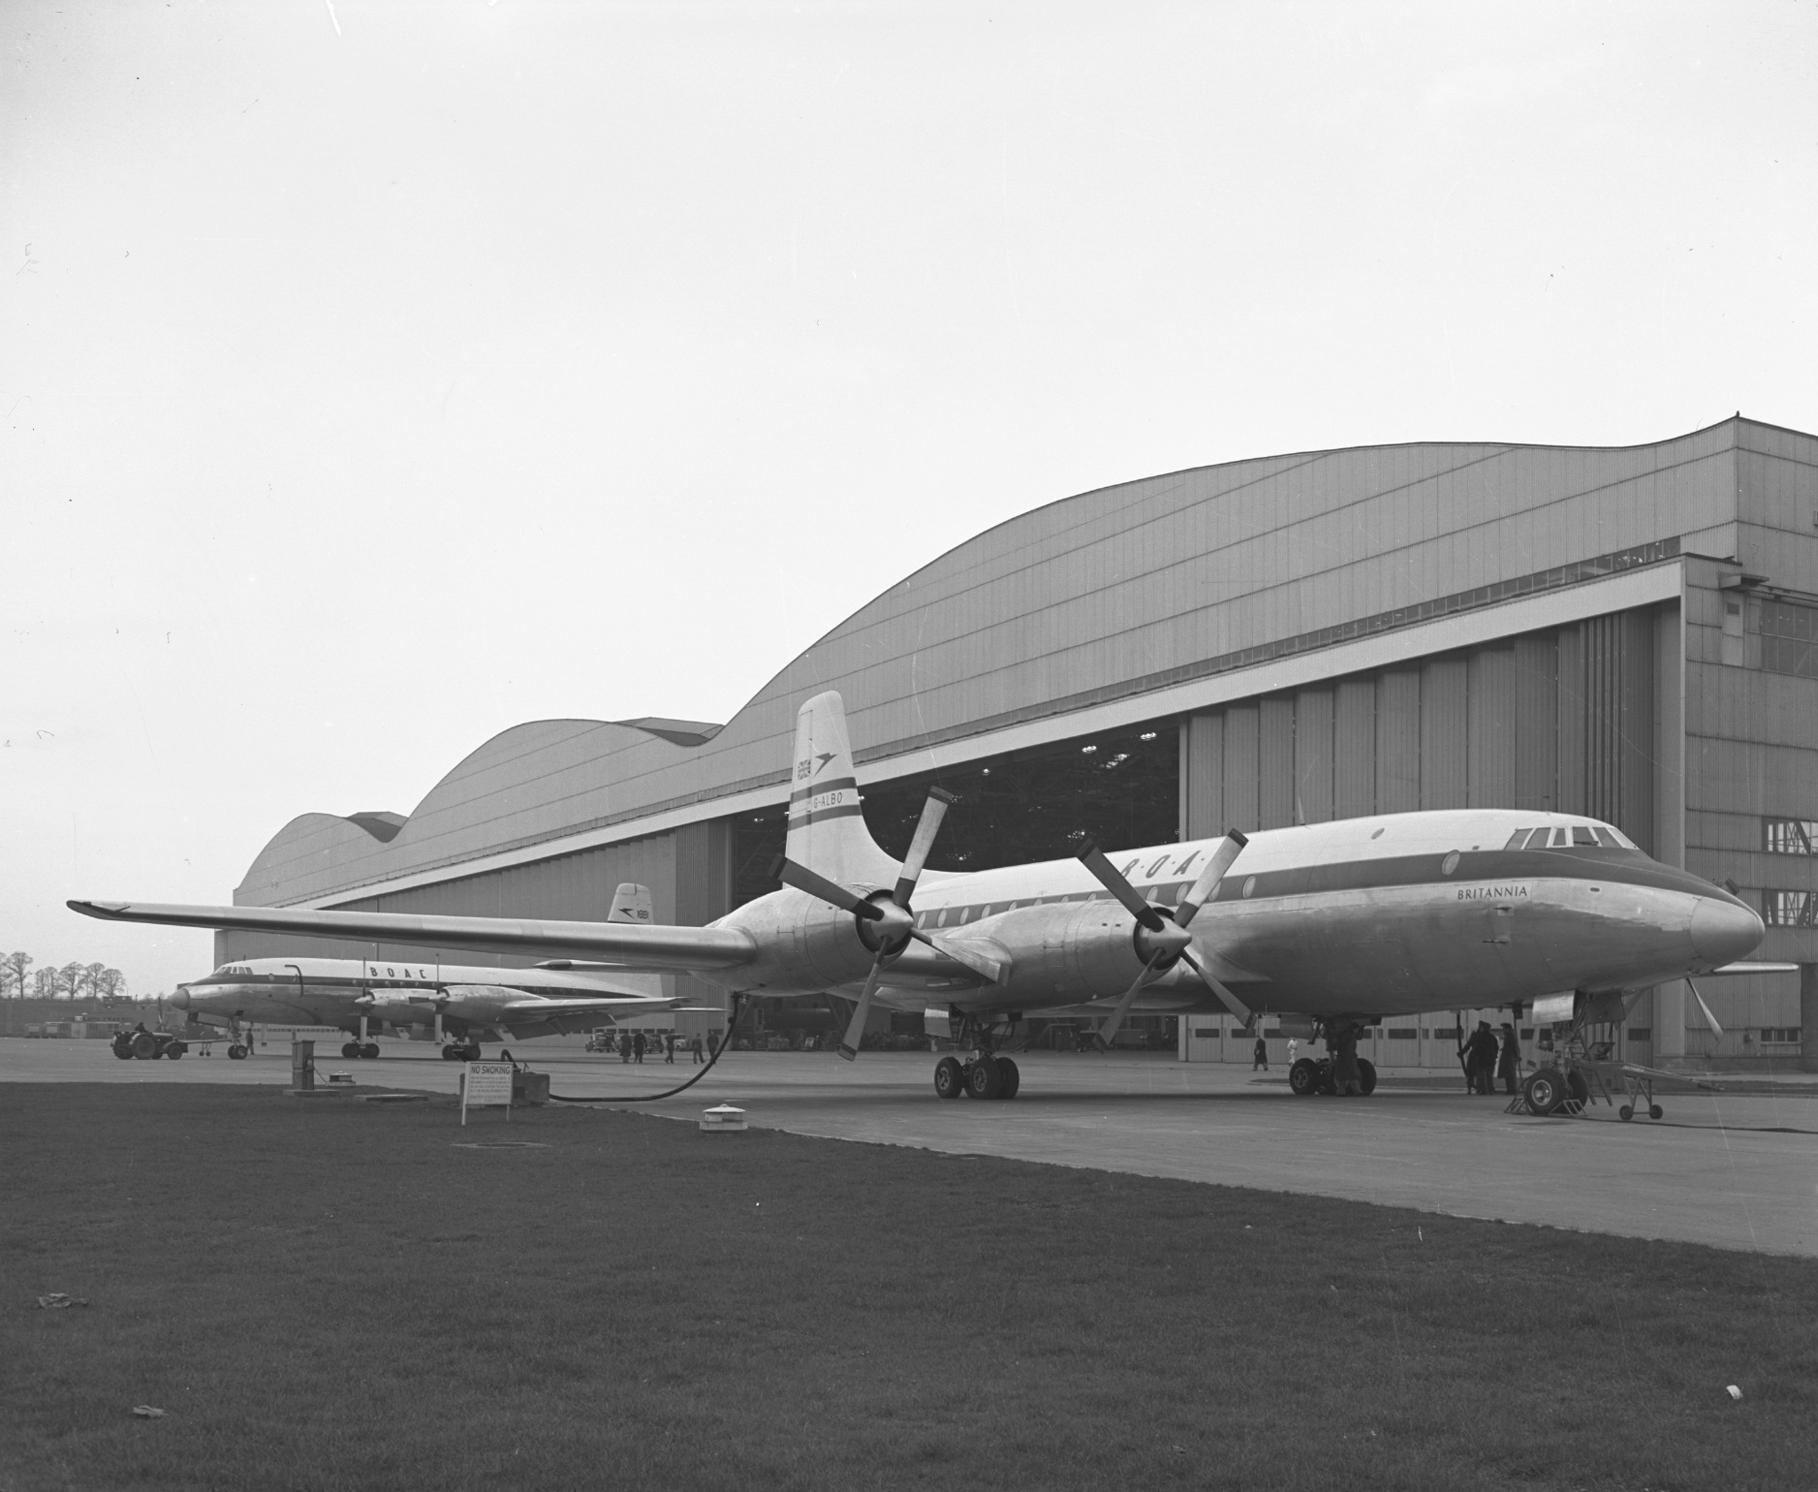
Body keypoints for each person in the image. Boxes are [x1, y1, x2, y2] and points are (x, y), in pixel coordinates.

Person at [1497, 1022, 1521, 1095]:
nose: (1503, 1030)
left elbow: (1515, 1047)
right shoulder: (1508, 1036)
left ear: (1508, 1029)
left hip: (1510, 1059)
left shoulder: (1511, 1036)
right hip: (1507, 1058)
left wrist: (1517, 1056)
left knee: (1511, 1075)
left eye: (1504, 1028)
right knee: (1508, 1075)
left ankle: (1512, 1090)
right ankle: (1509, 1089)